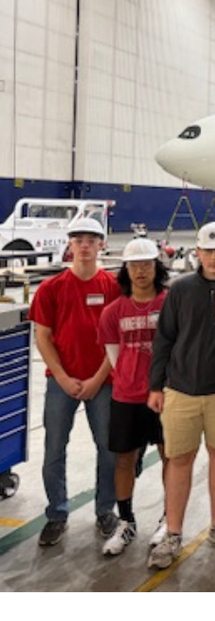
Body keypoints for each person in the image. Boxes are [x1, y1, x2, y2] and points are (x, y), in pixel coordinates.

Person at [147, 221, 215, 568]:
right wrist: (155, 385)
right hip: (180, 391)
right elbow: (164, 338)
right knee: (179, 460)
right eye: (207, 250)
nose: (213, 256)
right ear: (198, 252)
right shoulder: (180, 290)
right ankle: (173, 533)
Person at [31, 216, 120, 547]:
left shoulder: (112, 287)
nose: (85, 245)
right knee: (54, 450)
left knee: (108, 450)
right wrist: (65, 378)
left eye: (91, 239)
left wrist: (98, 378)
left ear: (101, 245)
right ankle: (57, 513)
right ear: (69, 244)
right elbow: (43, 337)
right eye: (78, 239)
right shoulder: (51, 289)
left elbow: (118, 339)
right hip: (61, 383)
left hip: (103, 381)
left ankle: (105, 511)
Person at [97, 237, 169, 556]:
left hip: (166, 396)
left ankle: (170, 518)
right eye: (134, 265)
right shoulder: (113, 312)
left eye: (147, 264)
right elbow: (114, 355)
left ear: (156, 267)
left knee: (171, 457)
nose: (140, 271)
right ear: (126, 269)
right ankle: (126, 522)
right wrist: (131, 379)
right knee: (124, 459)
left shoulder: (171, 303)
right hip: (127, 398)